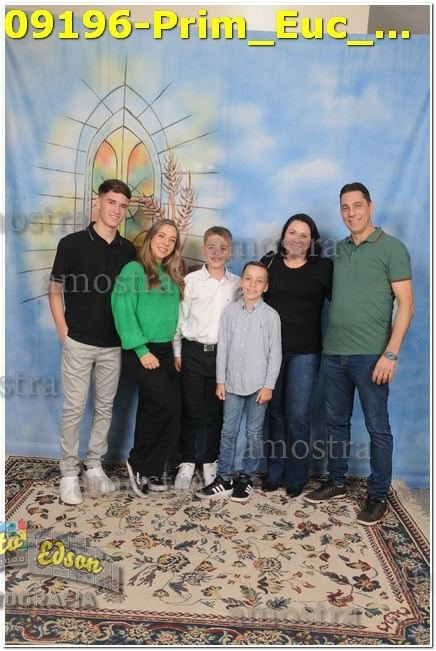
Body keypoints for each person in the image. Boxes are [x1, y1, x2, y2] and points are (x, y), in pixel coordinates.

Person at [305, 182, 414, 525]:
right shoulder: (339, 251)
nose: (351, 213)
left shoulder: (392, 248)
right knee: (335, 423)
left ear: (370, 206)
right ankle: (337, 481)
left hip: (372, 356)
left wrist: (391, 354)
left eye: (357, 205)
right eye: (345, 207)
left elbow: (407, 304)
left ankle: (377, 495)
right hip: (334, 352)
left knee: (377, 427)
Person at [49, 179, 136, 505]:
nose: (116, 210)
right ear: (97, 202)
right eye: (111, 202)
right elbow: (54, 290)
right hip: (79, 342)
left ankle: (94, 466)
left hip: (113, 344)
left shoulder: (128, 250)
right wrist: (64, 331)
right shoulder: (71, 244)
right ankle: (69, 473)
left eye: (123, 206)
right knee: (73, 408)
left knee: (104, 407)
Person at [195, 261, 282, 503]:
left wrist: (269, 385)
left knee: (253, 433)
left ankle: (246, 477)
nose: (253, 285)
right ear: (241, 282)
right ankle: (224, 478)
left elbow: (275, 354)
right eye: (248, 279)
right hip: (232, 382)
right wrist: (220, 381)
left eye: (259, 281)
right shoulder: (229, 313)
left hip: (258, 386)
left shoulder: (271, 316)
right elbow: (222, 349)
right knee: (228, 431)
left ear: (266, 286)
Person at [260, 214, 333, 497]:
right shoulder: (269, 263)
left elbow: (343, 302)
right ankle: (274, 473)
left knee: (298, 416)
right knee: (275, 414)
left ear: (312, 240)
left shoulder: (323, 268)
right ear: (283, 235)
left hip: (306, 353)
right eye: (293, 232)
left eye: (304, 235)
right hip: (271, 353)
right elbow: (251, 300)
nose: (297, 239)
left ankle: (296, 477)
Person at [111, 219, 184, 498]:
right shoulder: (133, 270)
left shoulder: (171, 274)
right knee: (165, 402)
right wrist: (142, 351)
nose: (166, 243)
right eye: (161, 236)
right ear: (150, 237)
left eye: (172, 239)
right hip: (140, 348)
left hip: (165, 350)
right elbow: (122, 309)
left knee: (158, 407)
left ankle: (151, 469)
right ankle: (138, 462)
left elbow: (174, 317)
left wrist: (175, 351)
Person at [173, 226, 240, 489]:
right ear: (203, 250)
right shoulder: (191, 281)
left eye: (222, 248)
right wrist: (177, 351)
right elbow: (180, 318)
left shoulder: (237, 284)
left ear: (230, 251)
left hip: (222, 356)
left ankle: (210, 460)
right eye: (211, 247)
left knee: (215, 411)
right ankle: (187, 461)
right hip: (192, 352)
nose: (216, 252)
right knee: (190, 408)